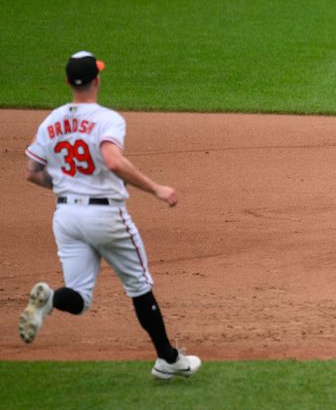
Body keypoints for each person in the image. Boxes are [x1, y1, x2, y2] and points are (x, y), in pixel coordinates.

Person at [20, 51, 201, 380]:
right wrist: (156, 188)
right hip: (105, 217)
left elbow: (32, 172)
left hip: (65, 216)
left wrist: (66, 185)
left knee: (79, 296)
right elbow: (113, 160)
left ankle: (49, 300)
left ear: (67, 83)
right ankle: (168, 360)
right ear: (97, 80)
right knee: (139, 285)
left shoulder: (52, 120)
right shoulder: (107, 119)